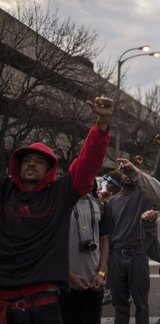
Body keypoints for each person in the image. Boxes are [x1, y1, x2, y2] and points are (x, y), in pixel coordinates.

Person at [0, 96, 113, 324]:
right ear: (18, 165)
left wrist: (101, 126)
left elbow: (88, 164)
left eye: (39, 161)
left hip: (43, 302)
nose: (32, 164)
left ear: (50, 168)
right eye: (27, 160)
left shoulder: (59, 195)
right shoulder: (4, 191)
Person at [106, 135, 160, 324]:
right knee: (120, 304)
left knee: (141, 304)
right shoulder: (111, 203)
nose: (126, 174)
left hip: (137, 255)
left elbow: (156, 178)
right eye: (123, 172)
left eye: (130, 171)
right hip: (117, 257)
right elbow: (108, 234)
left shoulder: (143, 194)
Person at [59, 193, 111, 324]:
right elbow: (53, 246)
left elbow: (104, 242)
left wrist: (101, 274)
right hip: (66, 286)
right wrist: (69, 276)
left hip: (94, 285)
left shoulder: (100, 205)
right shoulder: (60, 204)